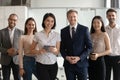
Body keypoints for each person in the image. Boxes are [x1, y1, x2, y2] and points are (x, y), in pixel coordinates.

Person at [60, 9, 92, 80]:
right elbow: (61, 48)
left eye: (74, 16)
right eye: (70, 17)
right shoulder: (63, 31)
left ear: (77, 17)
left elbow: (89, 47)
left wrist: (79, 58)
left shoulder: (84, 29)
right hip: (69, 65)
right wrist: (67, 57)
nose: (72, 18)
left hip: (82, 64)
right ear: (67, 18)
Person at [30, 13, 60, 80]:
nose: (50, 23)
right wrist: (38, 51)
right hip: (41, 64)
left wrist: (55, 51)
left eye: (52, 21)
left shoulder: (57, 35)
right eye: (48, 20)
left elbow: (57, 52)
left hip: (53, 64)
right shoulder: (37, 34)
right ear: (44, 21)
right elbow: (31, 49)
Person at [0, 13, 23, 80]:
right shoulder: (1, 32)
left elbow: (23, 47)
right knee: (6, 78)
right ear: (8, 20)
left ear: (17, 21)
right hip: (5, 60)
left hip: (17, 60)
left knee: (18, 78)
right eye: (11, 19)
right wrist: (7, 50)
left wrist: (18, 51)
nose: (12, 21)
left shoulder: (21, 32)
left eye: (14, 20)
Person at [88, 16, 111, 80]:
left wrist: (98, 55)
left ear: (101, 24)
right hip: (90, 61)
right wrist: (89, 54)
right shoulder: (90, 35)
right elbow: (87, 48)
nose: (96, 24)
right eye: (94, 23)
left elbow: (109, 50)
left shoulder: (104, 34)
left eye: (98, 22)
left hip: (100, 61)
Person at [105, 8, 120, 80]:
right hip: (106, 57)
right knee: (106, 77)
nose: (111, 17)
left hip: (118, 57)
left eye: (113, 15)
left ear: (116, 16)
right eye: (109, 15)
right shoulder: (104, 29)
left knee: (117, 78)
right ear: (107, 16)